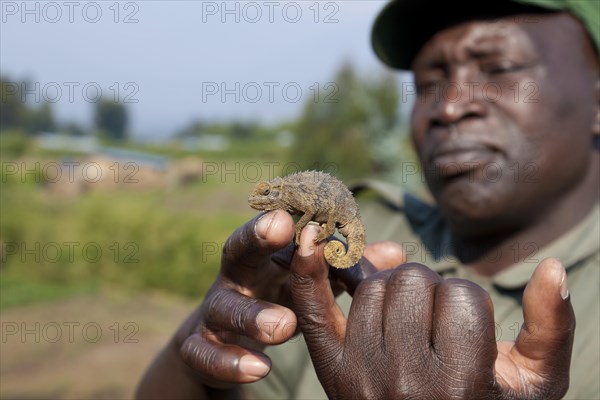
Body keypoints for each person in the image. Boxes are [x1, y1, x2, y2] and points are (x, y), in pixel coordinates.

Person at [136, 0, 599, 398]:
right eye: (427, 84)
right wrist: (203, 347)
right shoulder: (365, 237)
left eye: (499, 69)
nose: (450, 106)